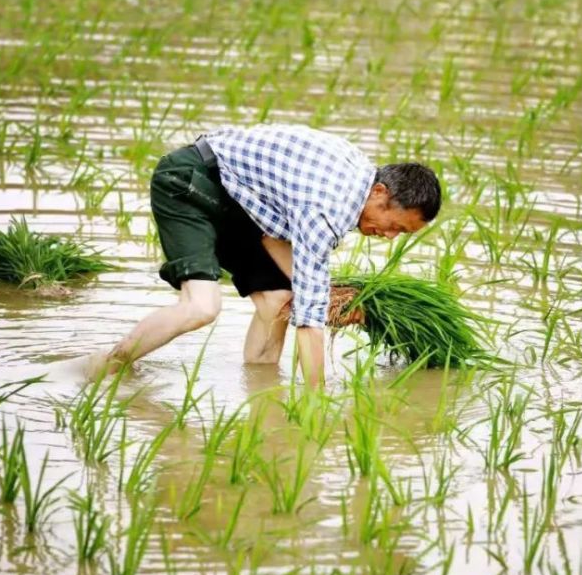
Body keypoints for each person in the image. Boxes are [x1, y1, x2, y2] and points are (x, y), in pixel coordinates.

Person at [93, 124, 441, 385]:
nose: (390, 237)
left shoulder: (359, 180)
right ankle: (104, 366)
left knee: (278, 302)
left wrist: (327, 294)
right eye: (395, 226)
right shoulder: (327, 209)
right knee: (202, 307)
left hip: (240, 201)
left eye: (401, 233)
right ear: (380, 192)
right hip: (188, 182)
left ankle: (259, 388)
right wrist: (316, 402)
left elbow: (278, 238)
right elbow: (309, 322)